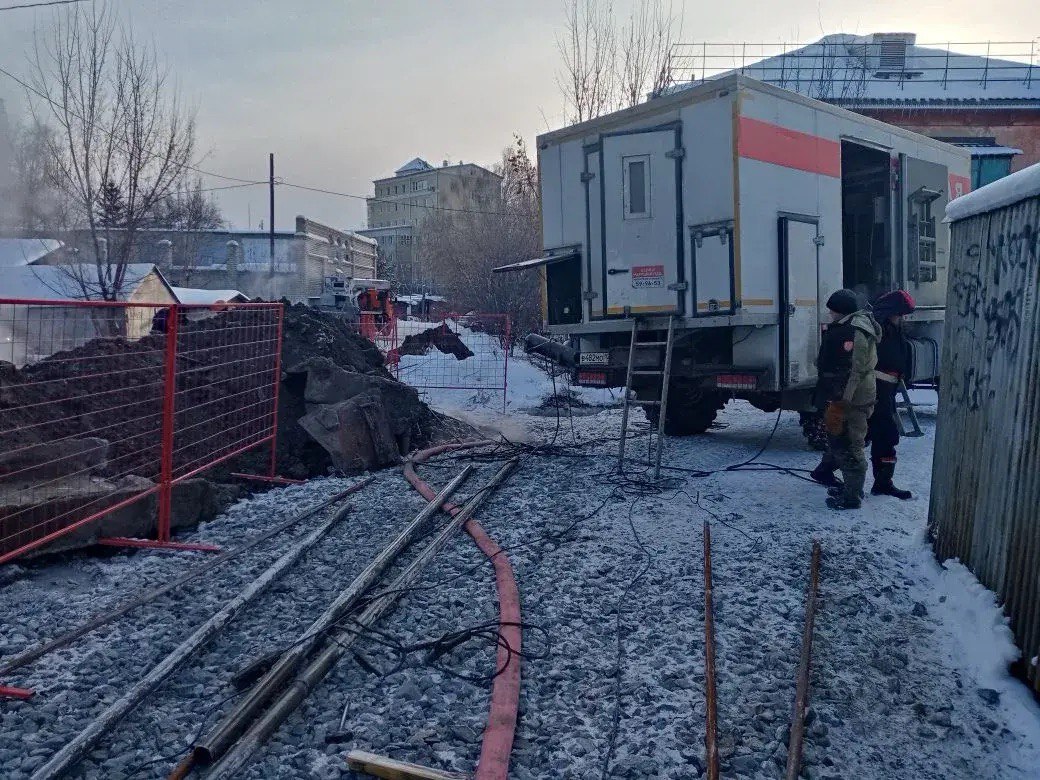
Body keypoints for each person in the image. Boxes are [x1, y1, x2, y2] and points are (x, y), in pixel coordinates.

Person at [809, 289, 882, 510]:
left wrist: (842, 401)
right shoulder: (854, 325)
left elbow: (854, 369)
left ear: (842, 310)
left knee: (851, 444)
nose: (830, 314)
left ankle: (852, 496)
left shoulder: (854, 331)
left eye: (833, 310)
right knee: (839, 437)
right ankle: (827, 474)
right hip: (849, 394)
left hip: (850, 398)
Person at [866, 289, 916, 500]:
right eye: (900, 314)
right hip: (876, 389)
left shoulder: (893, 329)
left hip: (887, 389)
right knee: (874, 433)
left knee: (877, 434)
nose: (902, 319)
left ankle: (883, 482)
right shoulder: (879, 330)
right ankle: (881, 482)